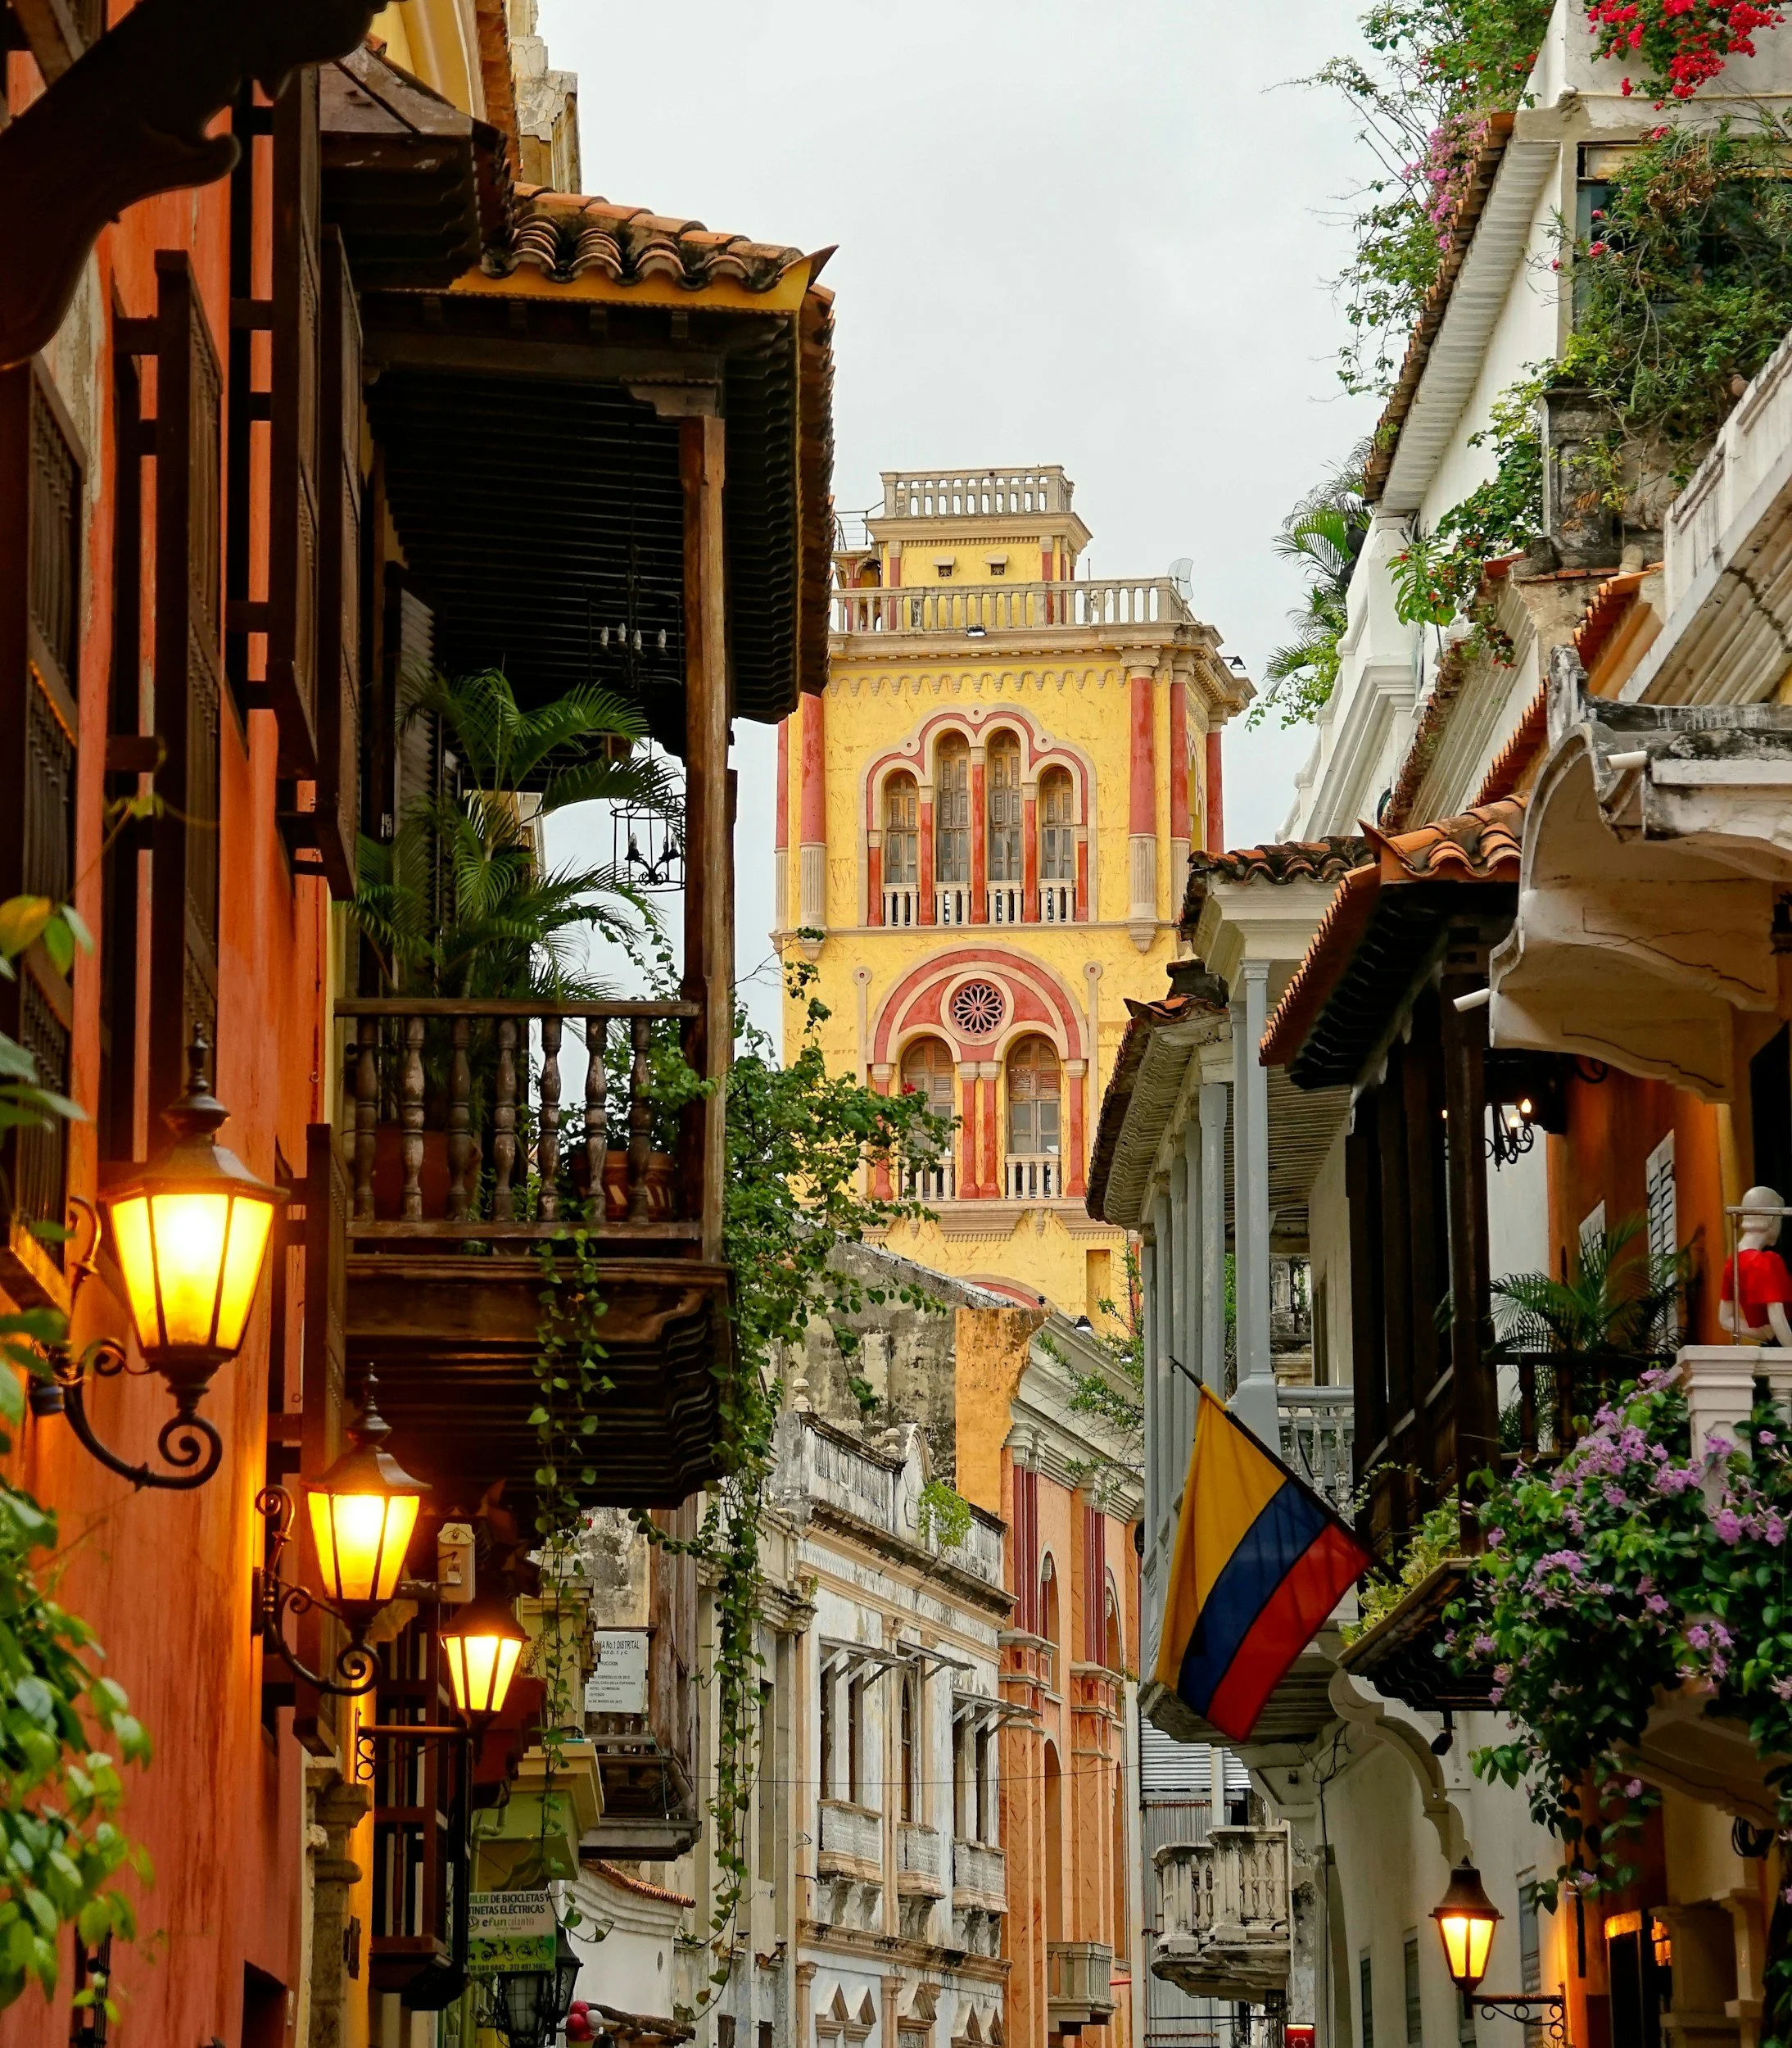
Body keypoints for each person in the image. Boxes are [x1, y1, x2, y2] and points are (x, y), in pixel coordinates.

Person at [1719, 1185, 1792, 1348]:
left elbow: (1725, 1319)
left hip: (1774, 1345)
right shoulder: (1766, 1261)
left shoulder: (1734, 1263)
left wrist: (1769, 1336)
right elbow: (1777, 1318)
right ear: (1772, 1219)